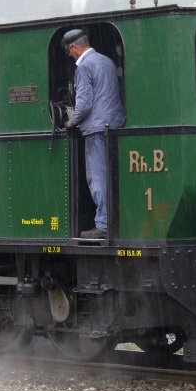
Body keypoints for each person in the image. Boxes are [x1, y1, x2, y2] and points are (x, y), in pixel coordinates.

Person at [61, 29, 125, 239]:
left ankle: (103, 224)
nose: (70, 56)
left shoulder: (84, 66)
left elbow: (84, 104)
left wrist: (71, 121)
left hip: (96, 128)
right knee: (111, 176)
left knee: (96, 177)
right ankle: (114, 221)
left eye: (69, 52)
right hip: (114, 125)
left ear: (74, 47)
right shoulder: (107, 61)